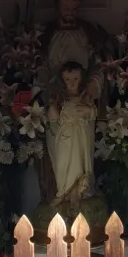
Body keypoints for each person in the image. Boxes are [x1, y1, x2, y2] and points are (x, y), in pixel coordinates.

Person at [46, 61, 97, 207]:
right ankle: (63, 191)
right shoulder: (59, 98)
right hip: (64, 137)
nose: (72, 83)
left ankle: (76, 193)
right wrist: (52, 109)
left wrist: (89, 111)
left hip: (80, 136)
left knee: (79, 164)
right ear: (62, 80)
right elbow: (53, 118)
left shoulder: (85, 97)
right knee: (62, 163)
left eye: (75, 79)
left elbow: (93, 113)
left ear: (81, 79)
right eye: (68, 79)